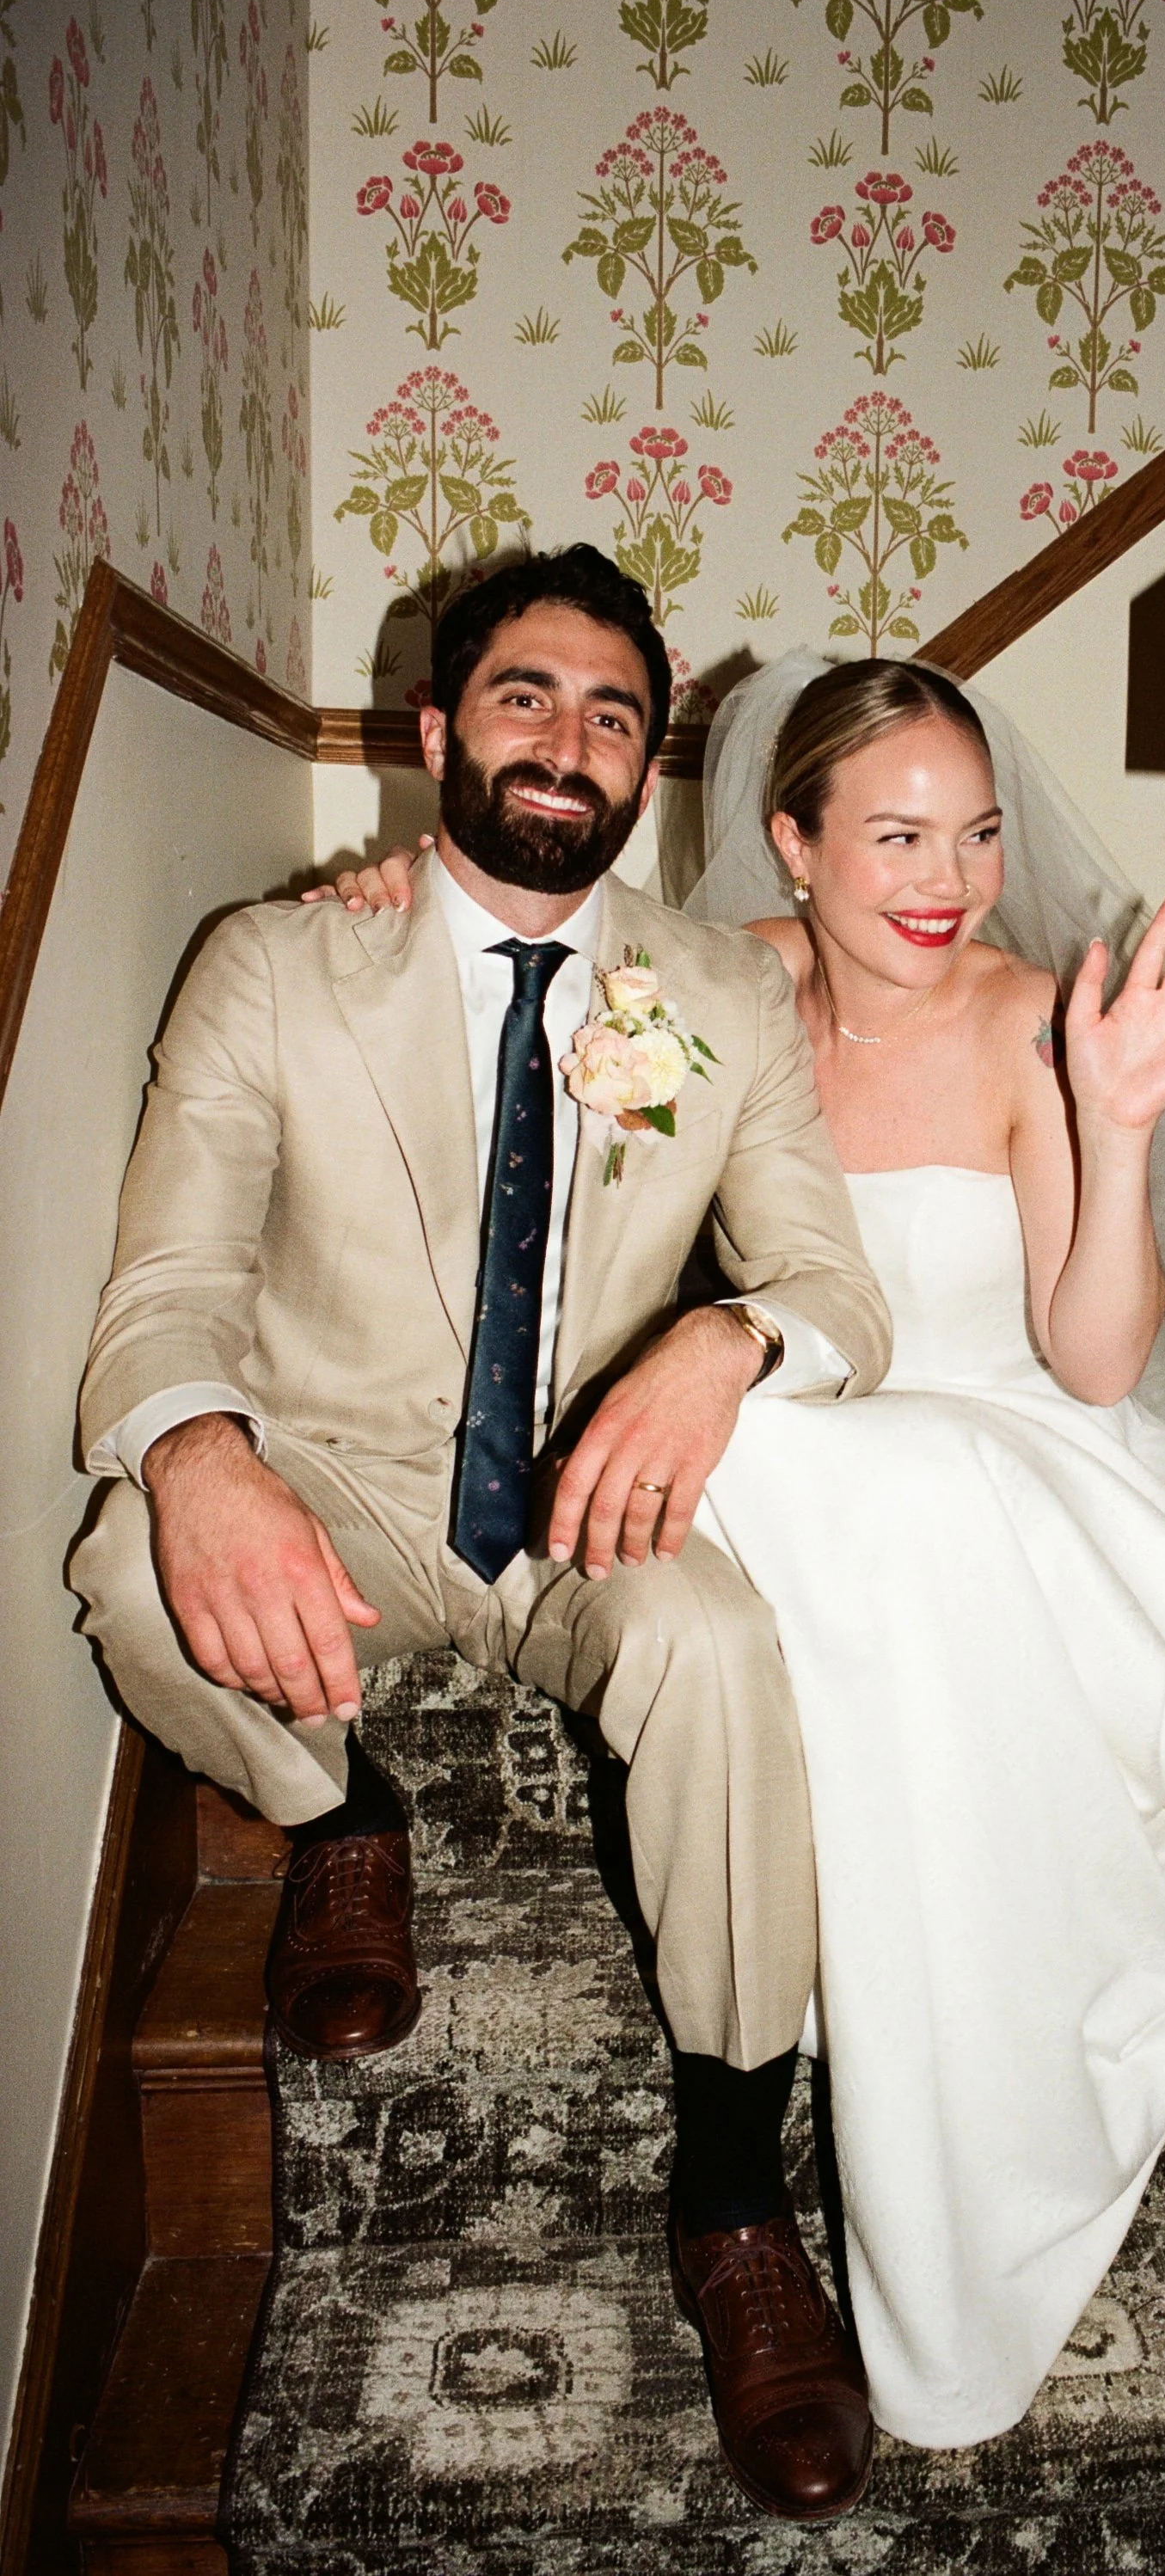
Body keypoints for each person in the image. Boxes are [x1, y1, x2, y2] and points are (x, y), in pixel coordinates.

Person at [329, 648, 1165, 2453]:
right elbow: (549, 1110)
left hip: (1008, 1461)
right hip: (793, 1447)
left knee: (852, 1463)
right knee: (767, 1446)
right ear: (791, 843)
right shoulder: (696, 988)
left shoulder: (1033, 1017)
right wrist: (398, 894)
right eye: (895, 835)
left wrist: (1114, 1128)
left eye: (974, 832)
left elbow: (1094, 1361)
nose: (948, 879)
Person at [71, 550, 895, 2526]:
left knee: (720, 1651)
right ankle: (344, 1810)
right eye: (527, 695)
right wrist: (203, 1452)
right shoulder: (275, 961)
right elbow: (167, 1284)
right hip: (345, 1475)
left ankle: (732, 2190)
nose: (568, 741)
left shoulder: (716, 992)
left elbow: (838, 1291)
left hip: (588, 1491)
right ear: (438, 730)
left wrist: (721, 1339)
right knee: (122, 1558)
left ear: (645, 766)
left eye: (613, 714)